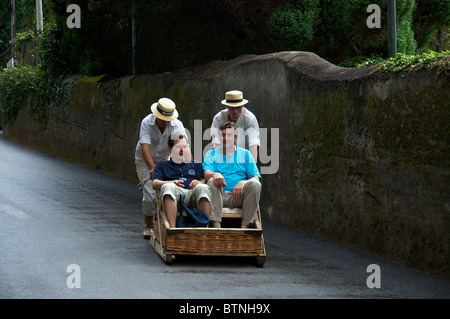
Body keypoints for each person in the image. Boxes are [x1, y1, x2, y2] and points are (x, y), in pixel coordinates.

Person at [135, 98, 187, 238]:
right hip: (145, 160)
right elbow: (144, 147)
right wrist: (153, 168)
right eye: (162, 118)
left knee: (168, 190)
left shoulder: (178, 126)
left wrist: (186, 167)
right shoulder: (146, 122)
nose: (165, 121)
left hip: (166, 159)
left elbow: (182, 147)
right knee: (151, 193)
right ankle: (149, 225)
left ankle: (165, 224)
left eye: (167, 118)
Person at [203, 121, 261, 228]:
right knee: (212, 180)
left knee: (255, 185)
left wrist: (243, 182)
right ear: (219, 138)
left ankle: (246, 227)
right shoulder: (211, 154)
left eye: (229, 135)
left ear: (235, 138)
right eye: (223, 135)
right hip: (218, 196)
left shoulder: (245, 154)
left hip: (238, 197)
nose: (225, 138)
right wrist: (215, 174)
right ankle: (216, 226)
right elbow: (207, 174)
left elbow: (256, 178)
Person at [152, 132, 211, 228]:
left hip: (192, 193)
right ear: (170, 148)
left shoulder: (195, 164)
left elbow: (204, 180)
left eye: (185, 146)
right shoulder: (162, 165)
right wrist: (171, 182)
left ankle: (203, 230)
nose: (182, 150)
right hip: (174, 194)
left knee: (203, 187)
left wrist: (199, 182)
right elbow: (154, 184)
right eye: (178, 147)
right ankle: (172, 231)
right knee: (168, 186)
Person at [210, 90, 260, 162]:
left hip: (244, 159)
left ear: (243, 106)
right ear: (226, 106)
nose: (235, 111)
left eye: (238, 107)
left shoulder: (250, 119)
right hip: (224, 157)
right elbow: (216, 144)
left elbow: (253, 145)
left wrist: (252, 169)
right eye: (232, 108)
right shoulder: (218, 119)